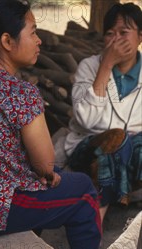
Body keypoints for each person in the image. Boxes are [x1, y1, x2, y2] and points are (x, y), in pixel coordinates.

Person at [0, 0, 101, 249]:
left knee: (52, 177)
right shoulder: (20, 92)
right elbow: (44, 164)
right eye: (33, 32)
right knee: (83, 189)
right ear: (7, 41)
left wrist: (46, 173)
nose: (38, 41)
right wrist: (46, 172)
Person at [64, 2, 142, 221]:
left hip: (133, 151)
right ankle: (93, 232)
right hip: (89, 148)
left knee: (130, 144)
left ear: (140, 37)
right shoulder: (89, 67)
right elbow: (86, 120)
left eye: (124, 33)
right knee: (116, 141)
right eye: (110, 33)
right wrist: (106, 67)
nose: (115, 40)